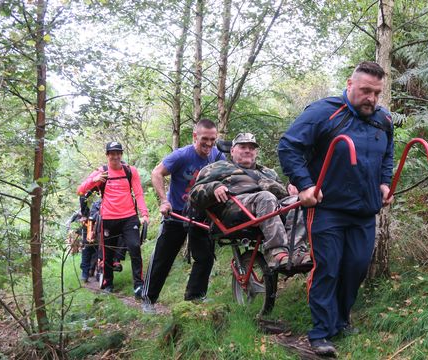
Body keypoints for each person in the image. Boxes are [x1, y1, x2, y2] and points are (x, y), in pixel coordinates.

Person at [278, 61, 394, 356]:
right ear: (349, 84)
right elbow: (289, 147)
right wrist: (304, 185)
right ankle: (320, 332)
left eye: (377, 93)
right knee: (327, 266)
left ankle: (341, 321)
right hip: (327, 208)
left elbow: (387, 154)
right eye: (365, 90)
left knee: (355, 267)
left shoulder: (383, 120)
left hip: (365, 210)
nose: (371, 98)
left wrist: (384, 183)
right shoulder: (323, 112)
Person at [189, 132, 311, 269]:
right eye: (243, 147)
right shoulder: (217, 167)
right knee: (266, 197)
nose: (248, 150)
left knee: (297, 201)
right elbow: (193, 194)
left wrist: (290, 191)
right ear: (232, 150)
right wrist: (214, 187)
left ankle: (296, 251)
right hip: (233, 209)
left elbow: (283, 199)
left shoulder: (268, 172)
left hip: (268, 208)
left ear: (256, 152)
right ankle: (276, 252)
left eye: (252, 148)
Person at [142, 119, 225, 313]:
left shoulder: (217, 155)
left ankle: (194, 297)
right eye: (205, 139)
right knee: (164, 257)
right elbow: (156, 173)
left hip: (201, 213)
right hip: (176, 214)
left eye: (213, 139)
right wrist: (164, 201)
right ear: (195, 136)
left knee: (205, 256)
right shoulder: (182, 155)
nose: (209, 144)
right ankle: (148, 299)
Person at [77, 141, 149, 299]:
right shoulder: (101, 172)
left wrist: (144, 214)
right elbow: (81, 190)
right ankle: (108, 283)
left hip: (129, 217)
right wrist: (95, 179)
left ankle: (139, 285)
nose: (115, 156)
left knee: (135, 248)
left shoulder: (130, 171)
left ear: (121, 154)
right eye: (112, 153)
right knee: (107, 253)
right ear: (107, 155)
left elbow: (138, 193)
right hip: (108, 218)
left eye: (118, 153)